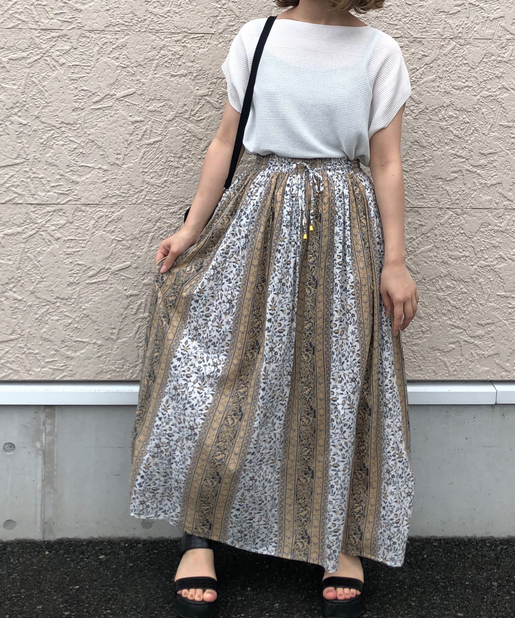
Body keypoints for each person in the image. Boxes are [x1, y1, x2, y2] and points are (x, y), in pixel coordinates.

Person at [129, 0, 419, 616]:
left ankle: (341, 540)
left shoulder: (380, 52)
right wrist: (190, 229)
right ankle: (199, 536)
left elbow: (387, 161)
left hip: (344, 228)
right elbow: (225, 140)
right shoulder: (256, 37)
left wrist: (395, 261)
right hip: (256, 219)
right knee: (220, 372)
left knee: (339, 379)